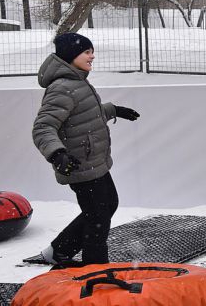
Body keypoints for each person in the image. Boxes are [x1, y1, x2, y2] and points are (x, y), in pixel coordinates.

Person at [32, 32, 140, 266]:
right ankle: (95, 269)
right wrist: (57, 154)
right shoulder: (62, 87)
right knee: (98, 216)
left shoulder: (76, 80)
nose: (92, 56)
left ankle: (59, 250)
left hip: (94, 162)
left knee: (106, 206)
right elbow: (43, 127)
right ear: (72, 55)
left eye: (92, 51)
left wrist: (113, 110)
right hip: (78, 164)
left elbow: (83, 113)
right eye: (87, 52)